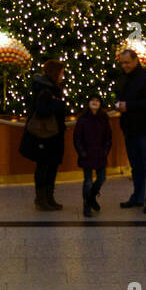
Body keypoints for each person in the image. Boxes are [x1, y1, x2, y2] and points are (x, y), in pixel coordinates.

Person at [115, 49, 146, 214]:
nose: (124, 66)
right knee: (136, 166)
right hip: (130, 129)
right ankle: (138, 196)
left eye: (127, 62)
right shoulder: (124, 78)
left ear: (135, 61)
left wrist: (129, 106)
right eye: (122, 63)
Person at [19, 59, 67, 211]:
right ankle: (42, 199)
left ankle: (48, 197)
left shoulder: (50, 88)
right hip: (45, 136)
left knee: (50, 166)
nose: (62, 76)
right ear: (55, 73)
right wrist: (58, 104)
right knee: (45, 167)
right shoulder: (46, 90)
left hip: (51, 134)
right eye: (61, 73)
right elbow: (42, 110)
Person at [73, 94, 112, 218]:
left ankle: (91, 197)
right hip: (87, 154)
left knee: (101, 178)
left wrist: (105, 151)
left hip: (100, 154)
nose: (95, 102)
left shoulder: (103, 118)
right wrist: (82, 152)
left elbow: (108, 137)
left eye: (97, 100)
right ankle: (87, 205)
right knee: (88, 181)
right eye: (92, 100)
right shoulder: (83, 119)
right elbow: (77, 138)